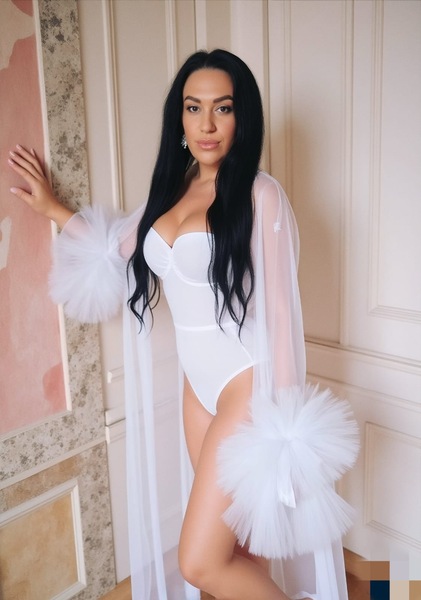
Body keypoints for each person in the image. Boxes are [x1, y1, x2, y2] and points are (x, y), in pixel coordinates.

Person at [8, 49, 358, 600]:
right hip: (199, 390)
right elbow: (116, 251)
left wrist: (285, 435)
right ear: (180, 118)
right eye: (194, 108)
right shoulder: (172, 191)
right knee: (236, 547)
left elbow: (281, 317)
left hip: (247, 384)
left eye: (223, 108)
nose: (207, 124)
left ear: (243, 118)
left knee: (198, 562)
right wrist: (54, 209)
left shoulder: (260, 195)